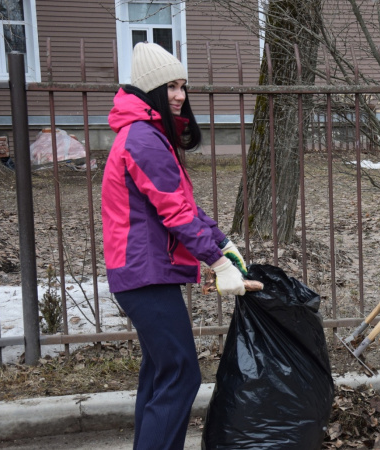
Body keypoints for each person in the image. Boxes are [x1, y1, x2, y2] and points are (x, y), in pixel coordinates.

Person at [101, 42, 248, 450]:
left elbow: (183, 204)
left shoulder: (148, 135)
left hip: (142, 272)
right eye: (170, 87)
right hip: (143, 273)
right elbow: (176, 214)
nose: (180, 95)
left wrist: (223, 242)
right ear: (149, 91)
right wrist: (217, 262)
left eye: (183, 86)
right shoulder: (144, 140)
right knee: (182, 372)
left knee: (160, 373)